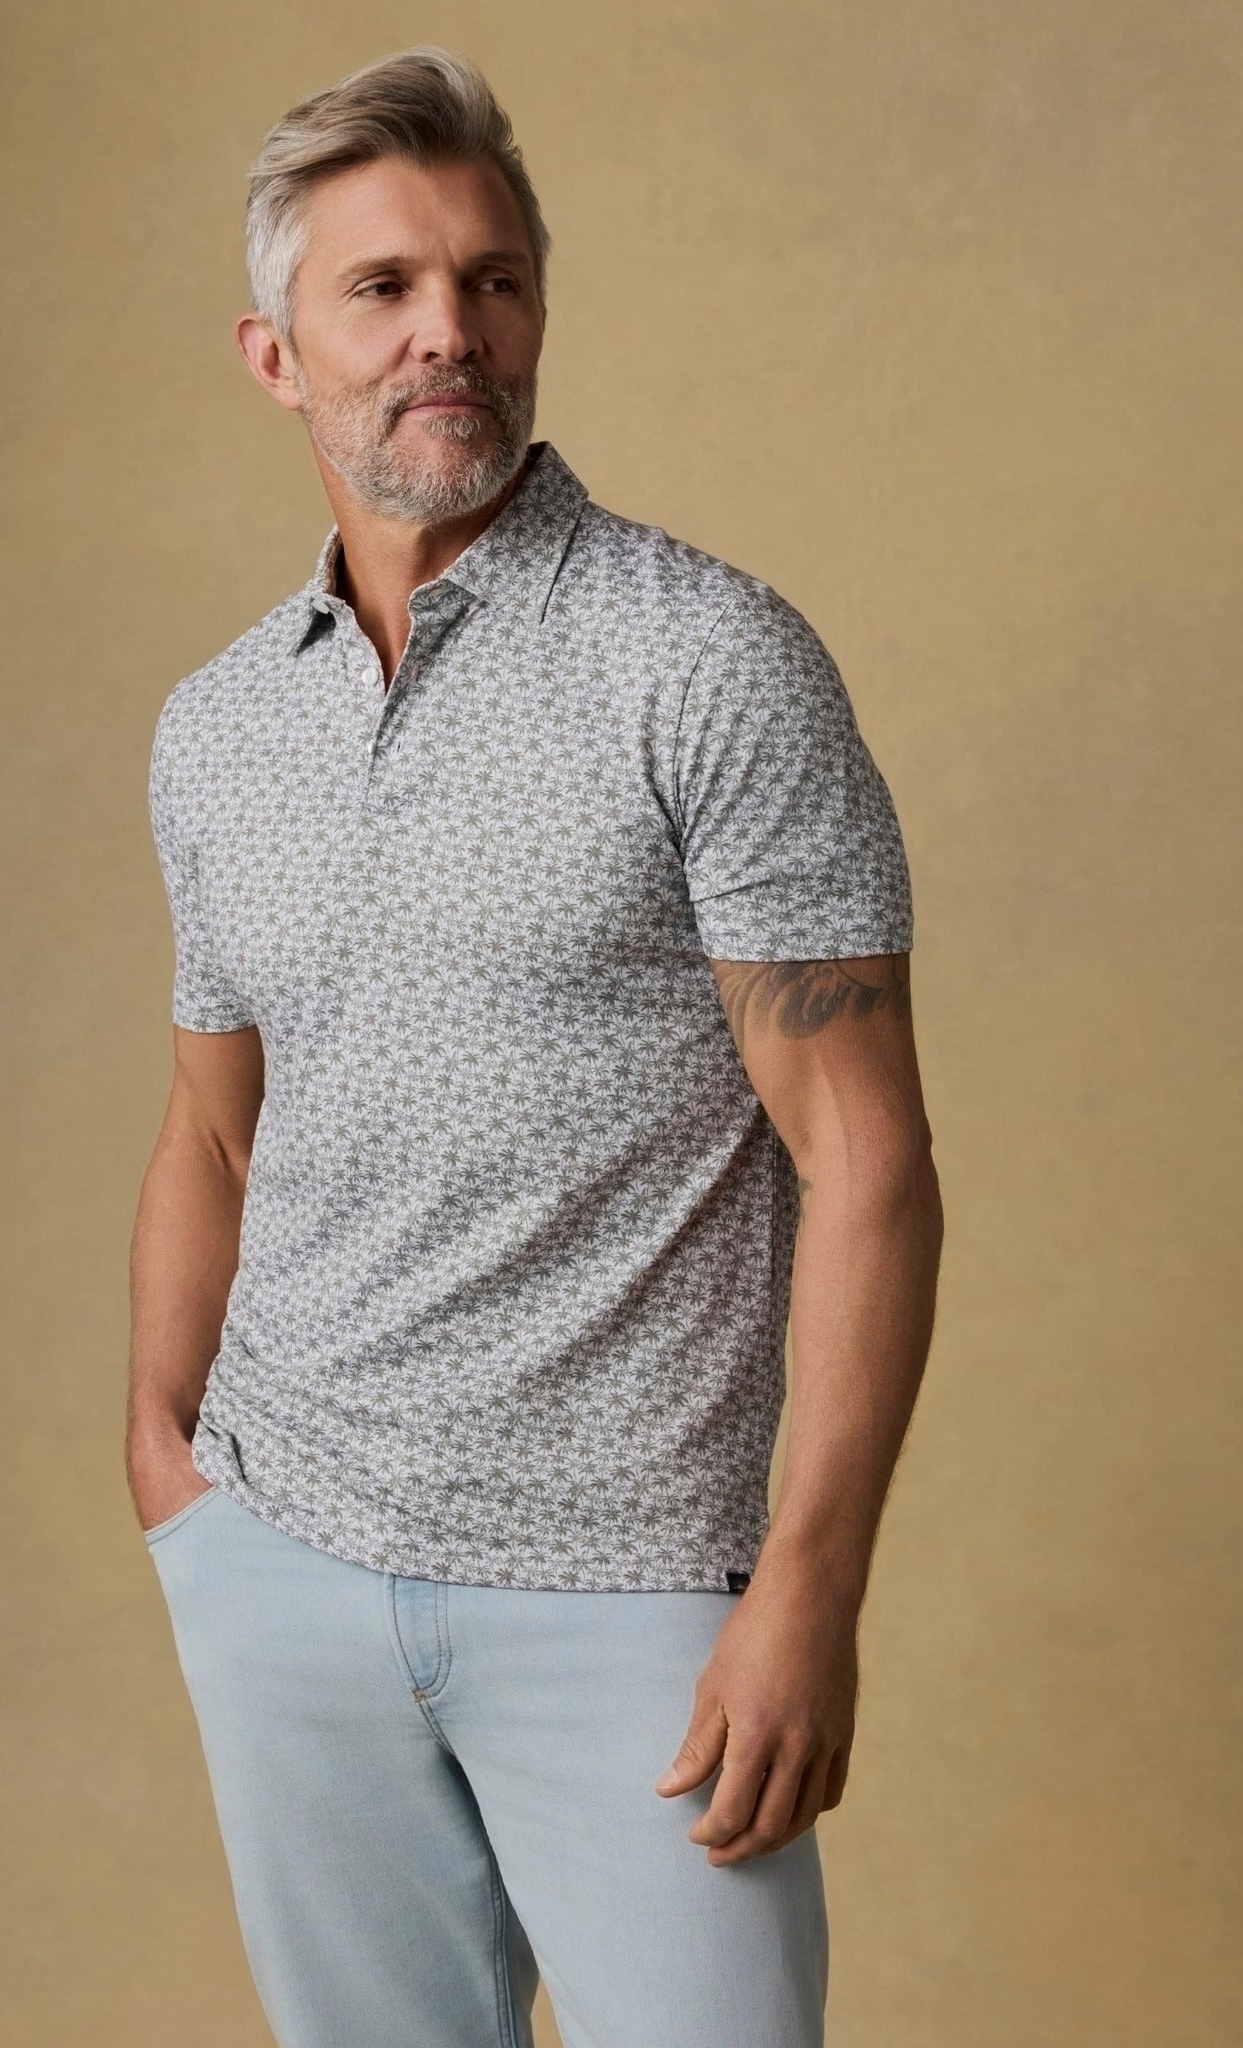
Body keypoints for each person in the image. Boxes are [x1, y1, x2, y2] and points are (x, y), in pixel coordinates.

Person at [125, 42, 944, 2048]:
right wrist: (170, 1470)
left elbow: (864, 1159)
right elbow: (215, 1129)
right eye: (384, 287)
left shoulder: (707, 661)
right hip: (280, 1561)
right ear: (275, 356)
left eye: (492, 281)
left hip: (633, 1589)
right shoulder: (217, 728)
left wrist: (808, 1585)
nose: (450, 331)